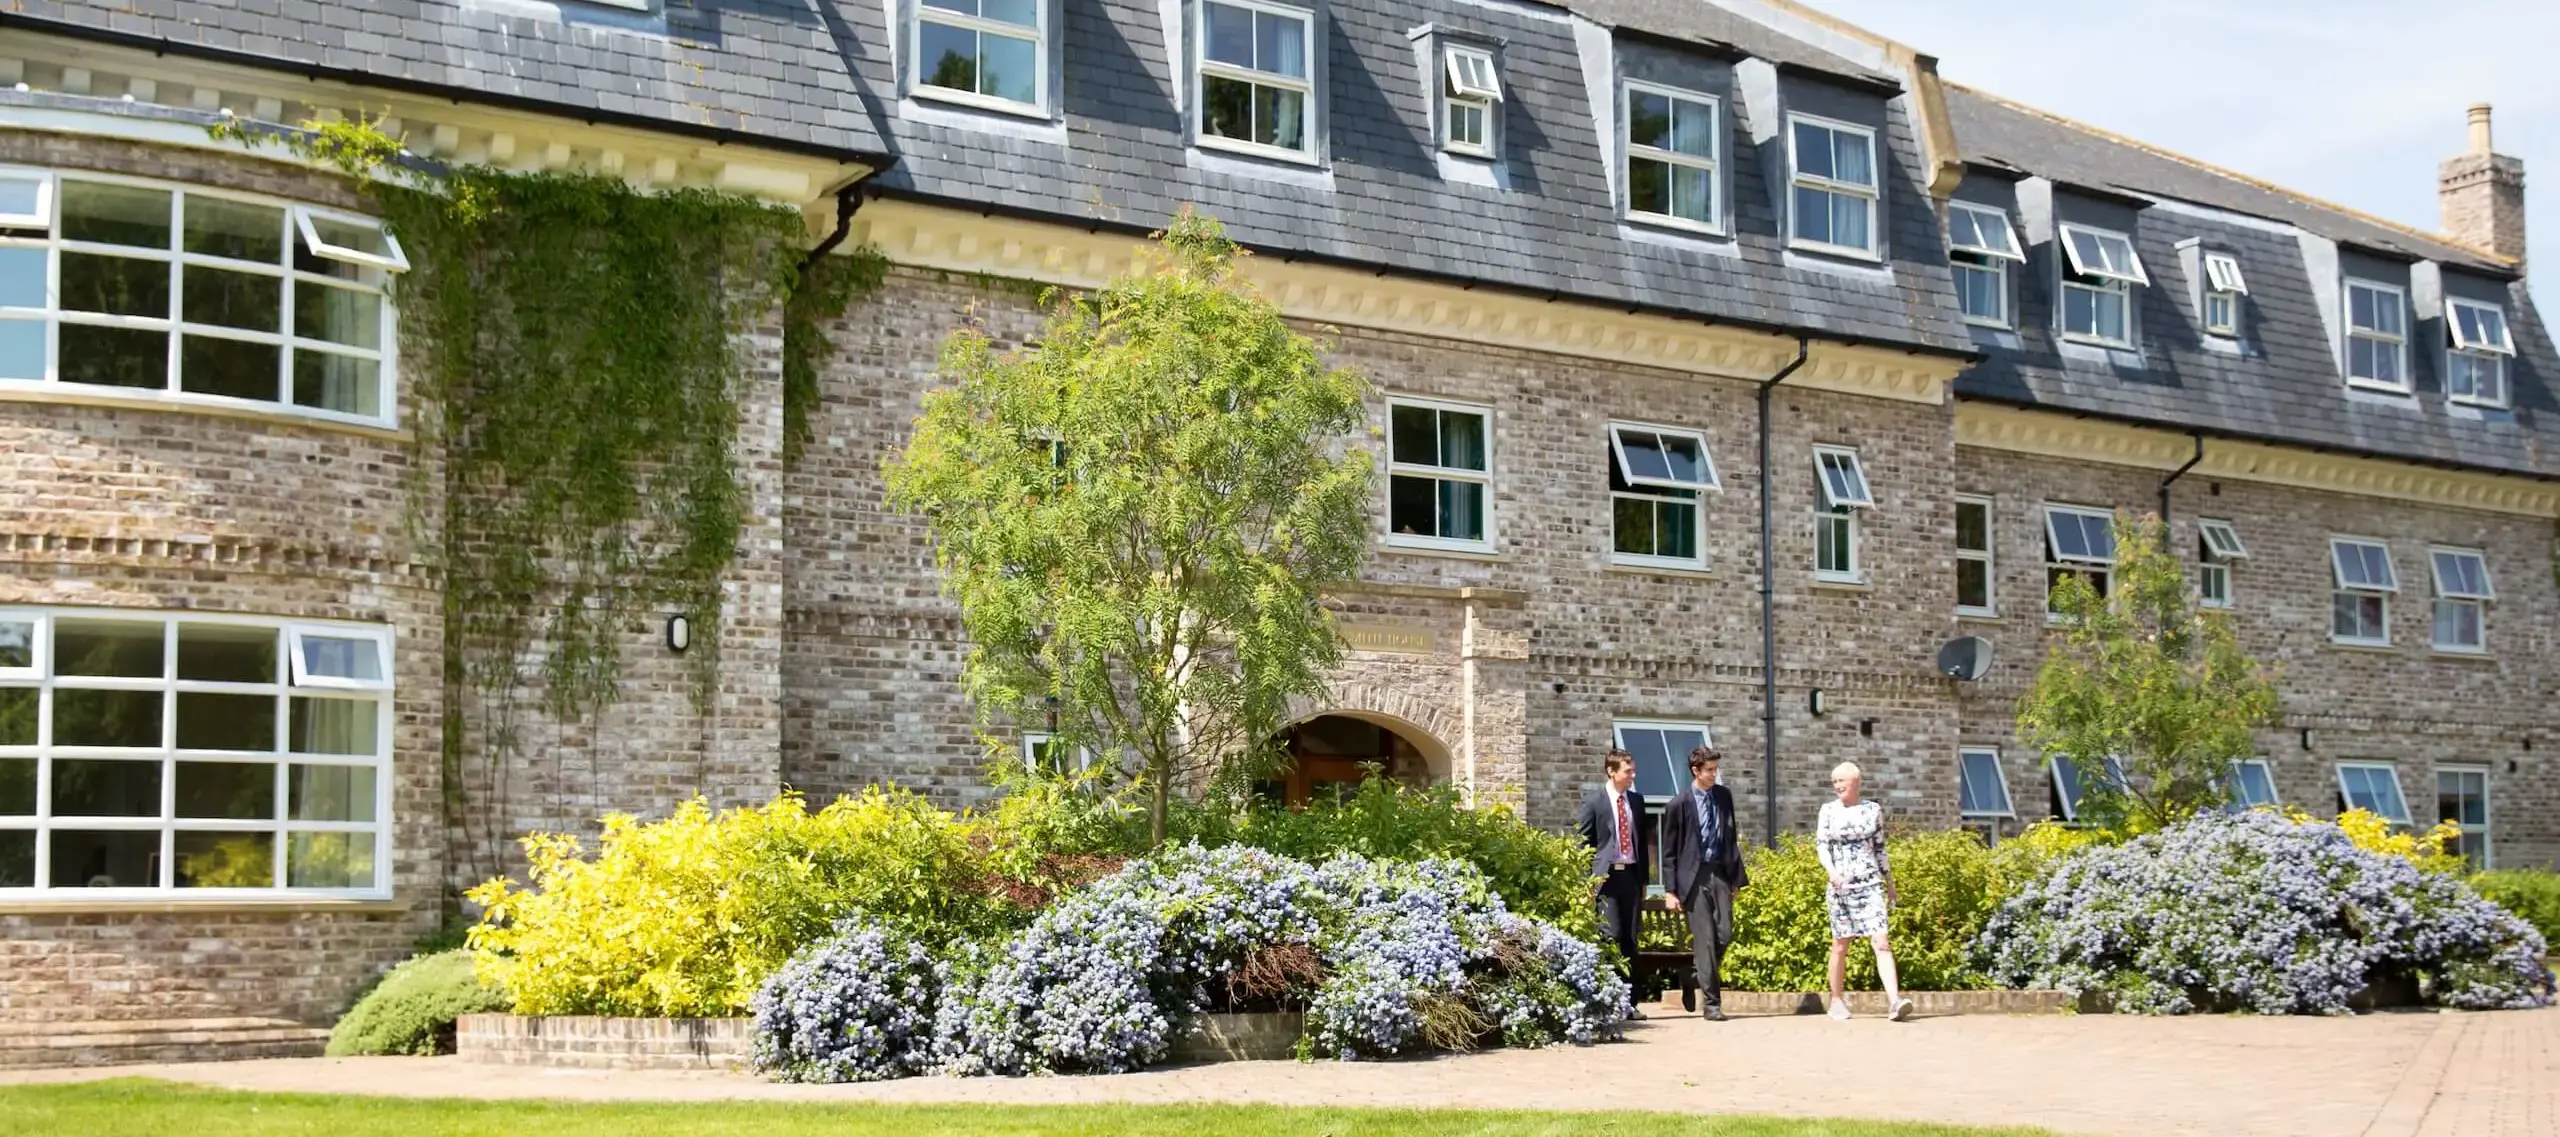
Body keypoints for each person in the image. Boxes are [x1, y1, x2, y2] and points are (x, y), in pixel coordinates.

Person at [1816, 761, 1912, 1022]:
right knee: (1840, 945)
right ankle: (1836, 999)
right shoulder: (1828, 811)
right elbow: (1822, 847)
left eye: (1841, 781)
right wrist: (1832, 873)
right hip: (1841, 886)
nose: (1837, 786)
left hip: (1870, 884)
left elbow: (1880, 847)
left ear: (1855, 782)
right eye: (1834, 782)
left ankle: (1894, 1002)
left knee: (1881, 941)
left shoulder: (1872, 810)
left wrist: (1890, 883)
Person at [1658, 745, 1748, 1020]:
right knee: (1705, 941)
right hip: (1692, 878)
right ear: (1696, 771)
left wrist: (1735, 877)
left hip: (1720, 871)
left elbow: (1730, 838)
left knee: (1725, 933)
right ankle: (1712, 1005)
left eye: (1715, 769)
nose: (1714, 774)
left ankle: (1693, 974)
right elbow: (1669, 851)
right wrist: (1670, 890)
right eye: (1709, 770)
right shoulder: (1678, 804)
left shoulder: (1723, 796)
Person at [1577, 748, 1652, 1019]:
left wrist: (1644, 880)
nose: (1633, 775)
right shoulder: (1594, 801)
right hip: (1606, 879)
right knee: (1611, 936)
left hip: (1630, 876)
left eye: (1633, 770)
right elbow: (1583, 843)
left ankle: (1630, 1005)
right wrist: (1587, 881)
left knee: (1631, 940)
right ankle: (1610, 1000)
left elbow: (1642, 842)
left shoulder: (1637, 801)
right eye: (1627, 771)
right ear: (1611, 771)